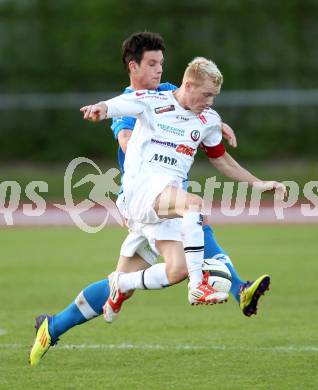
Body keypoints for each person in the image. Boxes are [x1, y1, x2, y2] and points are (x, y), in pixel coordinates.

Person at [29, 32, 275, 366]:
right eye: (152, 63)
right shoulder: (139, 100)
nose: (160, 70)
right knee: (196, 214)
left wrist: (215, 126)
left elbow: (193, 112)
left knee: (163, 272)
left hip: (163, 200)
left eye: (162, 63)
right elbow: (126, 127)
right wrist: (111, 117)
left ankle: (53, 326)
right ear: (134, 66)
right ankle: (225, 289)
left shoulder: (173, 95)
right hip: (142, 193)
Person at [80, 56, 286, 323]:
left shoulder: (209, 120)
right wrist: (101, 108)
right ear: (188, 86)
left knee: (176, 269)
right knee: (194, 204)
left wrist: (259, 183)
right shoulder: (153, 102)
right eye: (206, 95)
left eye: (214, 96)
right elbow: (119, 104)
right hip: (140, 191)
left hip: (166, 198)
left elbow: (222, 159)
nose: (210, 102)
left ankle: (123, 284)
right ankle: (198, 286)